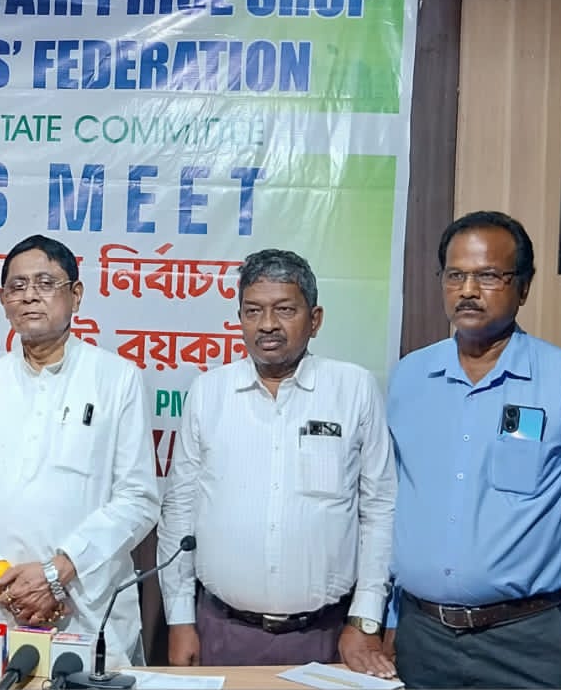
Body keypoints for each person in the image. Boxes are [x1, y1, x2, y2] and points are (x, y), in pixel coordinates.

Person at [387, 211, 561, 688]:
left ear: (523, 287)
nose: (468, 290)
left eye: (488, 276)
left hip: (532, 644)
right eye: (455, 275)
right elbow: (393, 502)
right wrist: (391, 618)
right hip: (422, 640)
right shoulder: (410, 377)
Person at [0, 234, 160, 664]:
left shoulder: (117, 379)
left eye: (46, 283)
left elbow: (138, 499)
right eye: (17, 286)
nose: (30, 295)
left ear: (76, 295)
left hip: (81, 613)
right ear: (3, 300)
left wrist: (58, 572)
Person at [158, 249, 396, 675]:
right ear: (240, 318)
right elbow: (179, 512)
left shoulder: (353, 389)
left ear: (315, 319)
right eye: (253, 311)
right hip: (222, 631)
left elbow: (380, 510)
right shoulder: (209, 393)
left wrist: (365, 618)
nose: (267, 324)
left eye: (284, 309)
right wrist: (179, 619)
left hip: (327, 634)